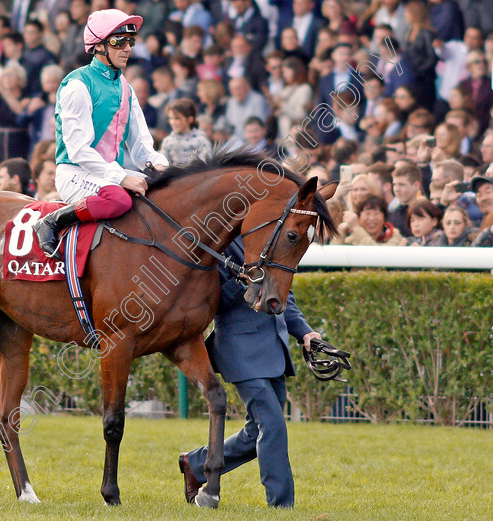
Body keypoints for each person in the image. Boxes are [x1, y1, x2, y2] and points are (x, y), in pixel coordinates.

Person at [178, 236, 321, 508]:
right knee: (273, 424)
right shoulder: (217, 243)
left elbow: (283, 295)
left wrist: (305, 332)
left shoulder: (269, 240)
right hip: (239, 349)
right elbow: (212, 302)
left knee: (256, 432)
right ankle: (281, 505)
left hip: (273, 348)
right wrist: (242, 282)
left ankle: (195, 464)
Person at [31, 9, 169, 258]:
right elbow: (79, 151)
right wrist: (121, 177)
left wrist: (162, 167)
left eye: (130, 42)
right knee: (120, 199)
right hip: (75, 172)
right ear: (98, 46)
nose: (127, 48)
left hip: (105, 174)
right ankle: (52, 221)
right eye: (118, 42)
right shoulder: (78, 85)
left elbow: (141, 148)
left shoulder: (125, 87)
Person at [159, 98, 213, 165]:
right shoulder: (167, 141)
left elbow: (206, 166)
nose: (172, 122)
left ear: (190, 119)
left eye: (177, 118)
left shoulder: (201, 141)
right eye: (170, 118)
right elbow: (163, 165)